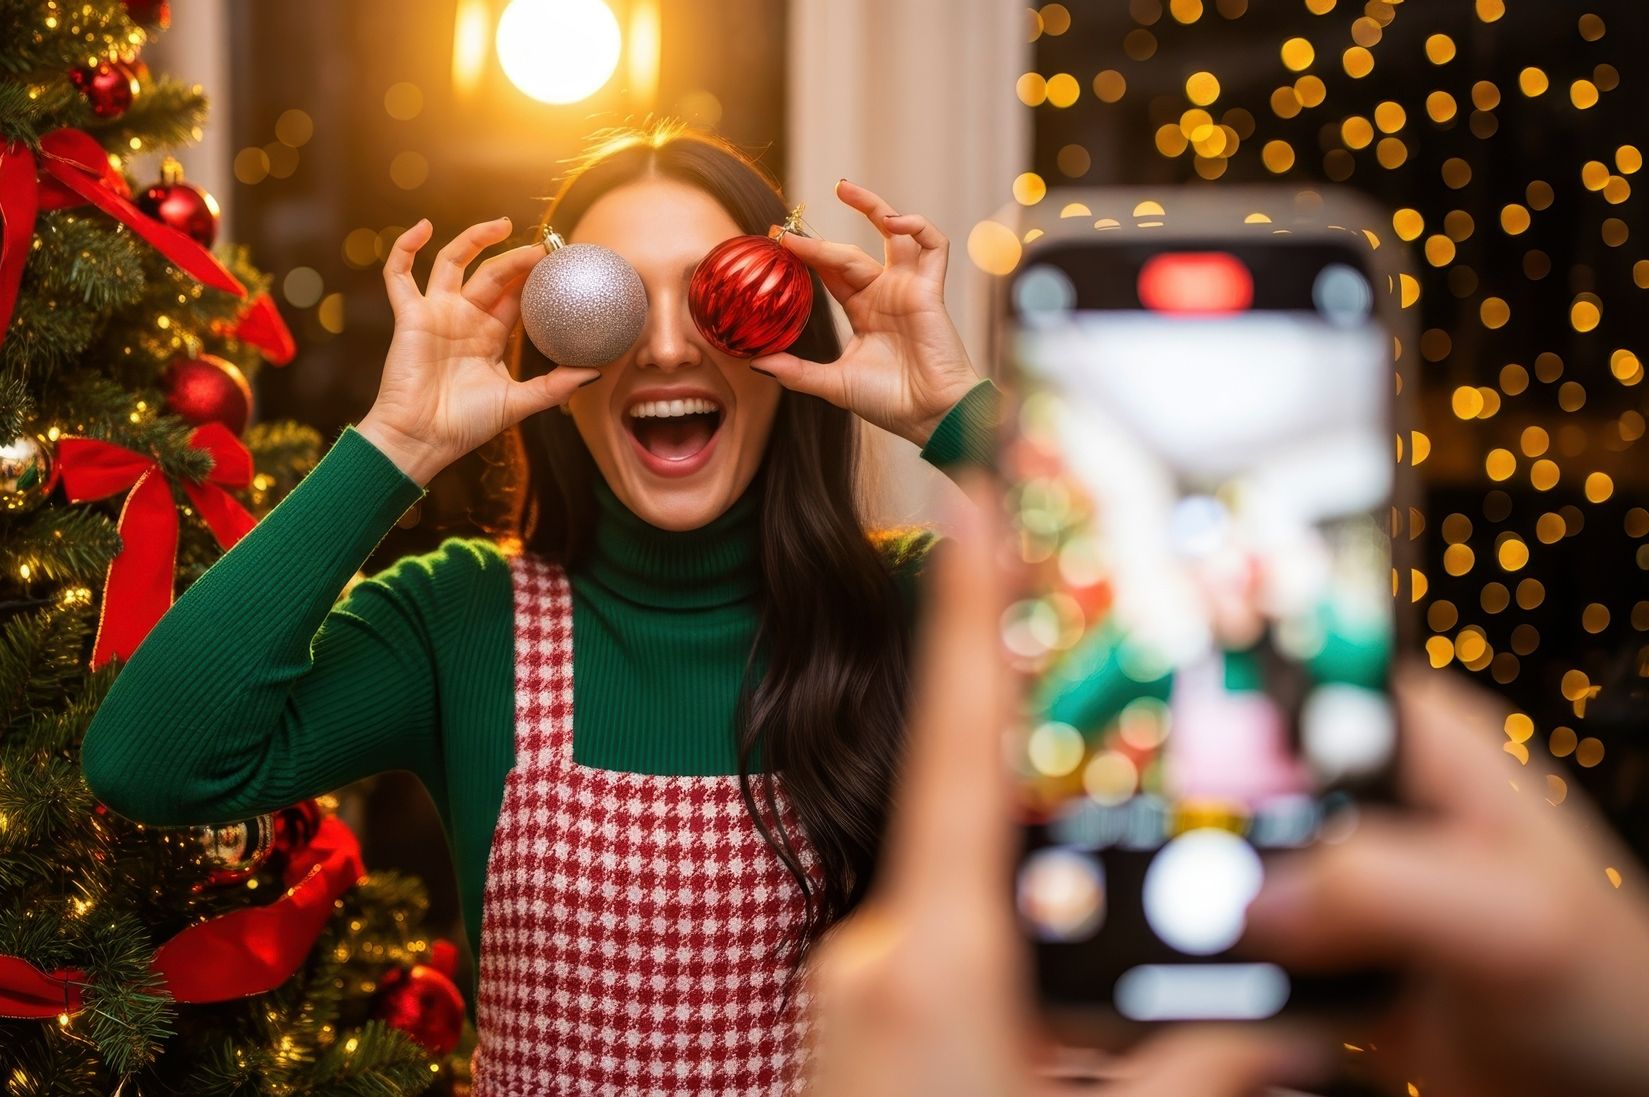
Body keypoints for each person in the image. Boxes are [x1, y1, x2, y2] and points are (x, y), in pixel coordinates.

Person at [82, 123, 990, 1093]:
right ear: (560, 355)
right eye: (614, 303)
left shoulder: (919, 608)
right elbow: (149, 762)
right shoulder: (464, 618)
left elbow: (1167, 686)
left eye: (715, 295)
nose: (669, 345)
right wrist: (399, 441)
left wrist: (958, 419)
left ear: (783, 330)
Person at [807, 486, 1649, 1097]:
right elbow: (1068, 712)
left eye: (1234, 558)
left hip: (1299, 903)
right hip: (1145, 896)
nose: (1219, 578)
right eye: (1198, 559)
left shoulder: (1317, 650)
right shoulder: (1142, 656)